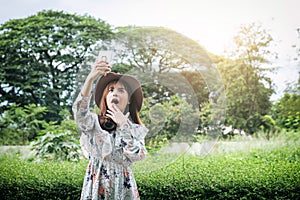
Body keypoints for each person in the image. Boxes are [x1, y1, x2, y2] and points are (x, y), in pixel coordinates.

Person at [72, 58, 148, 200]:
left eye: (121, 90)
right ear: (106, 97)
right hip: (96, 186)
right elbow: (79, 113)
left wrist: (123, 126)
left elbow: (137, 154)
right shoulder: (93, 124)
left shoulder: (135, 129)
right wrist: (90, 79)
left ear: (129, 99)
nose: (115, 93)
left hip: (123, 188)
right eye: (111, 90)